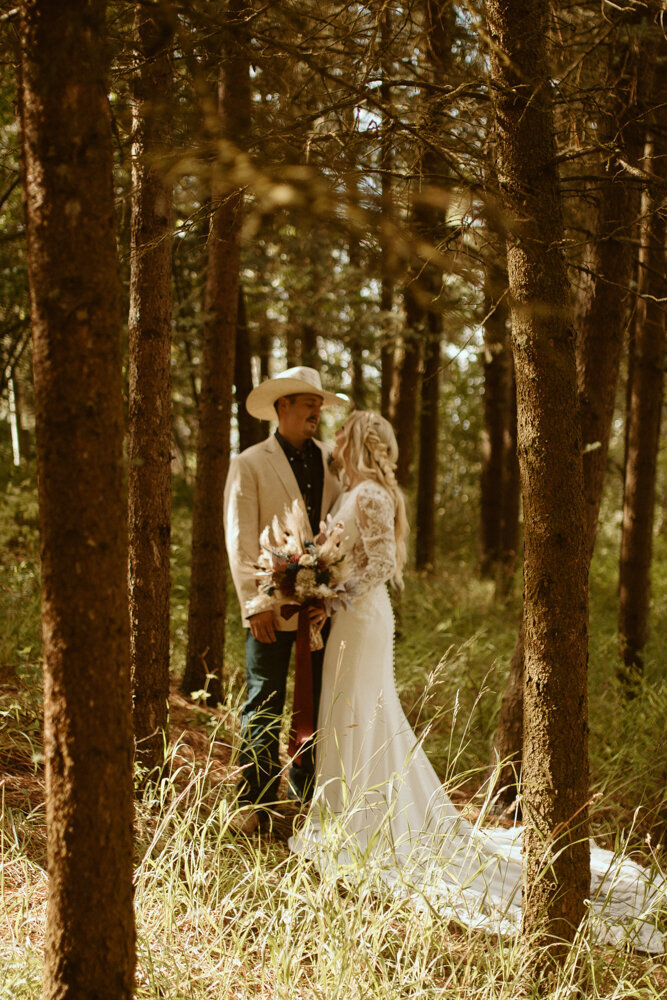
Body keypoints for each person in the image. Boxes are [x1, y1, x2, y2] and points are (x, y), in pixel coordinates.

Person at [289, 410, 664, 953]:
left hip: (364, 617)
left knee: (363, 709)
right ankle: (345, 812)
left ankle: (367, 822)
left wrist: (333, 593)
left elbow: (384, 563)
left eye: (343, 433)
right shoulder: (356, 491)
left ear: (359, 441)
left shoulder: (370, 496)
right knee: (346, 709)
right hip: (350, 616)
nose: (336, 440)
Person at [224, 366, 343, 833]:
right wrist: (254, 605)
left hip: (321, 607)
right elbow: (240, 539)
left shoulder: (334, 460)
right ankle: (252, 805)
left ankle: (305, 799)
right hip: (270, 607)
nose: (316, 410)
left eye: (319, 404)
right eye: (306, 402)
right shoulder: (250, 462)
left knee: (316, 703)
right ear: (282, 408)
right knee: (263, 701)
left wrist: (330, 587)